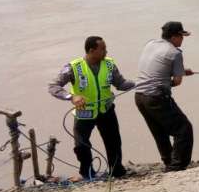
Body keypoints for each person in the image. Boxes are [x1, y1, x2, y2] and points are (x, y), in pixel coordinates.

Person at [48, 36, 135, 180]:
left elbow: (121, 84)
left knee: (114, 143)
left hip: (106, 110)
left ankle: (116, 171)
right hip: (84, 113)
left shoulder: (109, 64)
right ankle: (87, 173)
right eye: (103, 49)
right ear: (91, 50)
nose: (106, 52)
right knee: (81, 145)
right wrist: (71, 97)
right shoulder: (74, 67)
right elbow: (53, 86)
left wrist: (138, 83)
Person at [134, 21, 195, 171]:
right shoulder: (175, 53)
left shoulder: (150, 44)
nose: (182, 39)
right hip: (156, 97)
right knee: (184, 129)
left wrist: (180, 71)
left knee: (159, 131)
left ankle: (169, 161)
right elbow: (177, 82)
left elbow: (158, 66)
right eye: (181, 36)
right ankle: (177, 165)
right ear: (174, 37)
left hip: (140, 97)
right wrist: (177, 74)